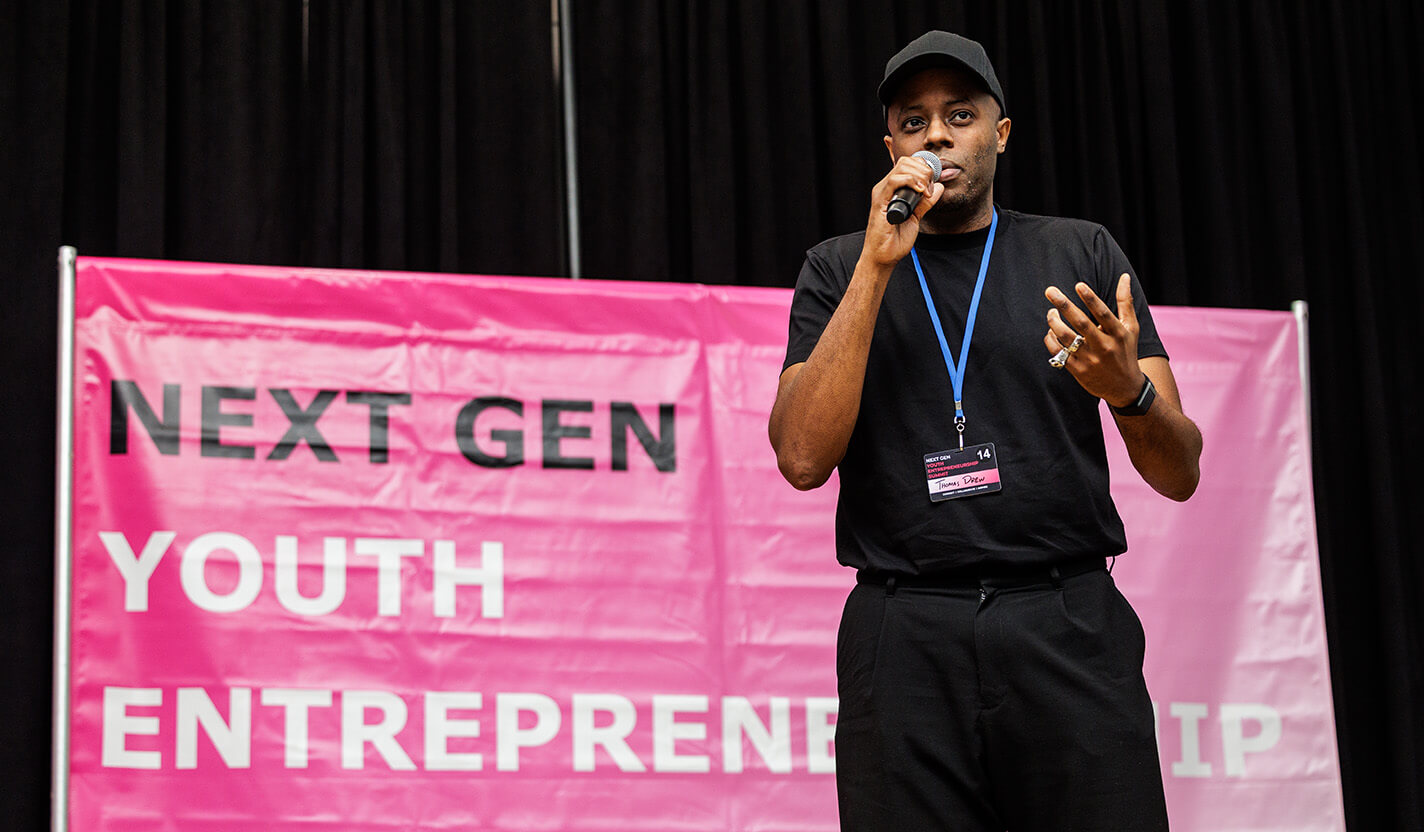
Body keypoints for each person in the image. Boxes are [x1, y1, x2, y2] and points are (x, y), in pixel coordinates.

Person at [768, 30, 1203, 831]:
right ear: (891, 145)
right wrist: (875, 265)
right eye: (913, 121)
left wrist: (1127, 390)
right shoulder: (837, 267)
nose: (936, 135)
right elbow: (800, 457)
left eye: (959, 114)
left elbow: (1180, 471)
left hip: (1065, 620)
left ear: (999, 133)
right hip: (903, 637)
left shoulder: (1079, 250)